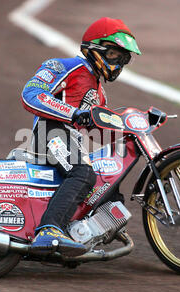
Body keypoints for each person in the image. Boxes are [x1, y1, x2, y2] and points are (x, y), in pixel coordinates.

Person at [21, 17, 141, 257]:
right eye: (114, 55)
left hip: (71, 140)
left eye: (123, 59)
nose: (118, 64)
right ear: (95, 49)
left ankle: (79, 234)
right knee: (83, 172)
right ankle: (48, 230)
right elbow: (30, 93)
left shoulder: (99, 92)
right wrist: (73, 113)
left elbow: (101, 126)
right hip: (49, 130)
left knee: (108, 180)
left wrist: (136, 128)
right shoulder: (63, 65)